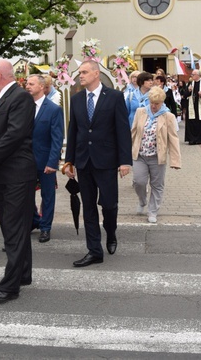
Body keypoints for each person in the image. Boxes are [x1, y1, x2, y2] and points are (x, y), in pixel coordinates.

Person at [63, 60, 132, 268]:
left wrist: (124, 161)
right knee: (89, 207)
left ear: (96, 74)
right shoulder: (76, 100)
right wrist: (69, 160)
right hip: (84, 161)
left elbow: (122, 130)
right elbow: (73, 131)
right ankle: (94, 250)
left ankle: (110, 232)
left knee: (109, 204)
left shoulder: (114, 97)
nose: (80, 75)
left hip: (107, 161)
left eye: (84, 72)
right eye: (80, 72)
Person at [0, 60, 36, 301]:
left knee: (14, 230)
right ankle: (22, 273)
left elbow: (14, 133)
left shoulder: (19, 97)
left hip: (15, 174)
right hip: (2, 173)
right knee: (16, 227)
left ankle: (9, 286)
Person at [130, 87, 181, 224]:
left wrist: (175, 161)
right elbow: (133, 132)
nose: (153, 106)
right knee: (138, 181)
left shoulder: (168, 116)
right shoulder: (141, 112)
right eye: (151, 102)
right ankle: (142, 200)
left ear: (162, 102)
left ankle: (152, 211)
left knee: (157, 185)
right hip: (140, 155)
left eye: (156, 103)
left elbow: (173, 139)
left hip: (157, 157)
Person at [25, 74, 63, 243]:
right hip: (26, 161)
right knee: (25, 195)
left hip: (46, 160)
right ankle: (34, 220)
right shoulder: (24, 107)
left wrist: (53, 162)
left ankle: (45, 227)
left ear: (41, 87)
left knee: (47, 196)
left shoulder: (53, 109)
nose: (27, 86)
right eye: (27, 83)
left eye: (31, 84)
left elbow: (57, 138)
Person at [183, 70, 201, 144]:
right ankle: (191, 139)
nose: (192, 76)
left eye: (193, 74)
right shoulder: (190, 83)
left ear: (198, 75)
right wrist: (189, 91)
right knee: (192, 122)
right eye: (192, 74)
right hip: (192, 106)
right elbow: (185, 95)